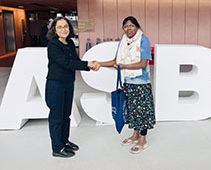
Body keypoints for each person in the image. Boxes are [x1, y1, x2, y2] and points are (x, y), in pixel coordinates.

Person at [45, 16, 100, 158]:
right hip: (55, 84)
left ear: (69, 28)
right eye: (60, 27)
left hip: (68, 83)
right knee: (57, 117)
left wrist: (89, 66)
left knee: (66, 115)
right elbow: (66, 63)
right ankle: (57, 148)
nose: (63, 29)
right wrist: (87, 65)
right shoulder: (53, 45)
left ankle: (64, 141)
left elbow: (75, 61)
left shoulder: (69, 43)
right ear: (55, 30)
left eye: (65, 26)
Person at [100, 16, 156, 154]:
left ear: (137, 27)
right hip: (128, 82)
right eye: (125, 26)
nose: (128, 28)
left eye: (131, 25)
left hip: (141, 82)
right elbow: (115, 60)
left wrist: (123, 66)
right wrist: (99, 64)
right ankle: (135, 135)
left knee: (142, 112)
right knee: (132, 110)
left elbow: (143, 63)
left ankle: (143, 140)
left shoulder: (144, 40)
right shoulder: (123, 42)